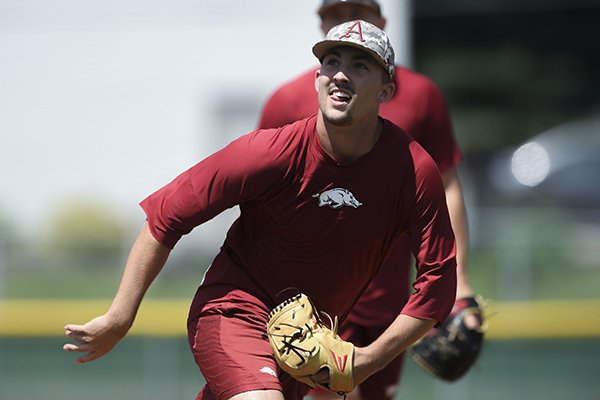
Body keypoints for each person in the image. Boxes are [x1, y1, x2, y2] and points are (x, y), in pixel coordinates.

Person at [63, 20, 457, 400]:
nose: (339, 74)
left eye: (359, 65)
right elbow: (166, 216)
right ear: (317, 79)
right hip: (234, 310)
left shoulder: (411, 170)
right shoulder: (270, 153)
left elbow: (438, 280)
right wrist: (120, 316)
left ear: (387, 91)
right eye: (331, 62)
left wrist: (368, 360)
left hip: (303, 345)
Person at [257, 1, 479, 399]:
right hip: (304, 299)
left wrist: (458, 284)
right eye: (336, 15)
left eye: (360, 13)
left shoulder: (421, 95)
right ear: (320, 25)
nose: (350, 24)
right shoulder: (287, 101)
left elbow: (445, 185)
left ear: (382, 22)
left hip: (385, 299)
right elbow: (258, 200)